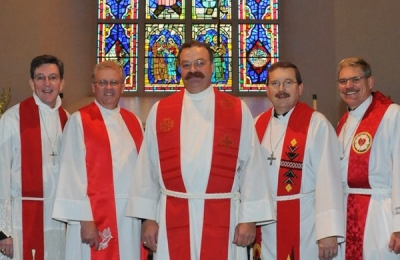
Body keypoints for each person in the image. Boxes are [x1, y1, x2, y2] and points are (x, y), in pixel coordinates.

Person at [125, 40, 275, 260]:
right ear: (178, 69)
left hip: (224, 214)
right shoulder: (161, 111)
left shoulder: (236, 110)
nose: (193, 70)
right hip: (172, 214)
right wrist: (148, 219)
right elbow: (147, 169)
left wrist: (249, 219)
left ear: (212, 67)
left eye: (199, 63)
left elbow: (253, 167)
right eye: (186, 65)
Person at [52, 61, 146, 260]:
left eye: (114, 82)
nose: (109, 88)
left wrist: (146, 216)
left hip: (130, 218)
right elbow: (71, 172)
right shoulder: (79, 120)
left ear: (123, 86)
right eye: (103, 82)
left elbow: (145, 173)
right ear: (93, 86)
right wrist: (84, 218)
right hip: (93, 216)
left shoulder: (134, 122)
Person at [253, 61, 345, 260]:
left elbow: (329, 179)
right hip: (264, 223)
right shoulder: (256, 124)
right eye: (275, 83)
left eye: (288, 82)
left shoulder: (316, 124)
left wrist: (328, 231)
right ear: (267, 89)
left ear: (300, 88)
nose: (281, 89)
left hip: (304, 223)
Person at [0, 54, 69, 259]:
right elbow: (1, 173)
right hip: (21, 220)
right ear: (31, 83)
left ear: (62, 82)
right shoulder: (12, 119)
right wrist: (3, 231)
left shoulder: (70, 121)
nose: (46, 84)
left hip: (59, 220)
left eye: (53, 77)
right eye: (40, 77)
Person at [336, 57, 400, 259]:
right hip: (347, 212)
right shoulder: (344, 121)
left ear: (370, 82)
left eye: (355, 79)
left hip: (379, 214)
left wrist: (399, 224)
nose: (349, 86)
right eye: (343, 81)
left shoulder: (391, 114)